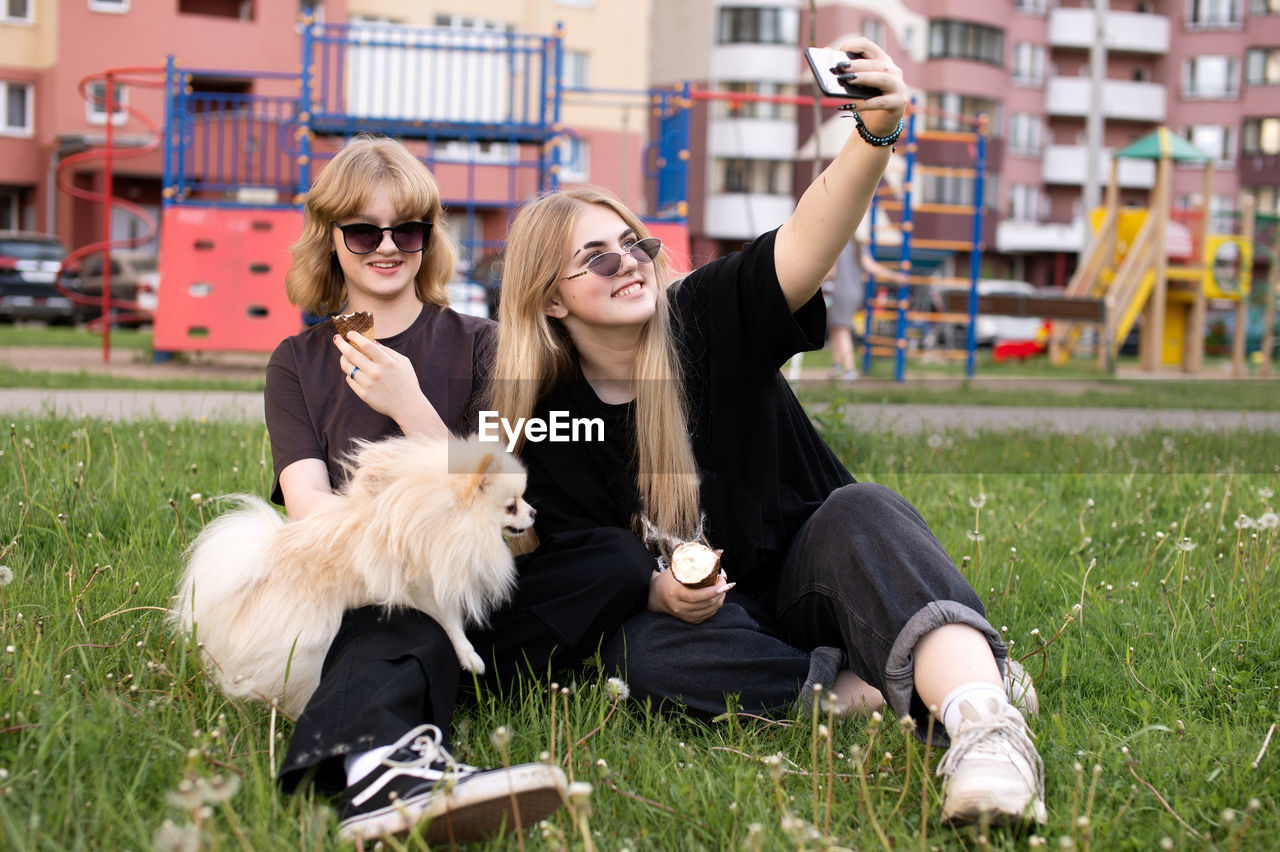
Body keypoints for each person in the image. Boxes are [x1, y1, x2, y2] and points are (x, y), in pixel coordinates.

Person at [489, 39, 1046, 827]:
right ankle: (888, 684)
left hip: (815, 582)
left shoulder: (705, 317)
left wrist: (874, 134)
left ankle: (987, 730)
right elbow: (559, 563)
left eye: (634, 244)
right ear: (550, 302)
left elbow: (804, 244)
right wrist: (657, 590)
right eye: (594, 258)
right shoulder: (544, 420)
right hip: (719, 627)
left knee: (864, 511)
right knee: (634, 654)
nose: (628, 263)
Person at [264, 134, 650, 843]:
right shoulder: (296, 362)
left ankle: (421, 678)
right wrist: (407, 548)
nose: (387, 246)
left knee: (614, 562)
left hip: (482, 593)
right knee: (399, 594)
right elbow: (309, 512)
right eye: (363, 230)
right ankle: (384, 764)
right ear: (330, 239)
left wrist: (409, 405)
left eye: (407, 228)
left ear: (427, 236)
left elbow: (515, 523)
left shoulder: (482, 344)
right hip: (364, 587)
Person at [826, 224, 906, 381]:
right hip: (854, 292)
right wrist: (894, 276)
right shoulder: (857, 246)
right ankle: (836, 366)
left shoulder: (836, 245)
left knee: (842, 330)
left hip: (839, 292)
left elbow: (831, 272)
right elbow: (871, 266)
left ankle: (849, 369)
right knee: (836, 328)